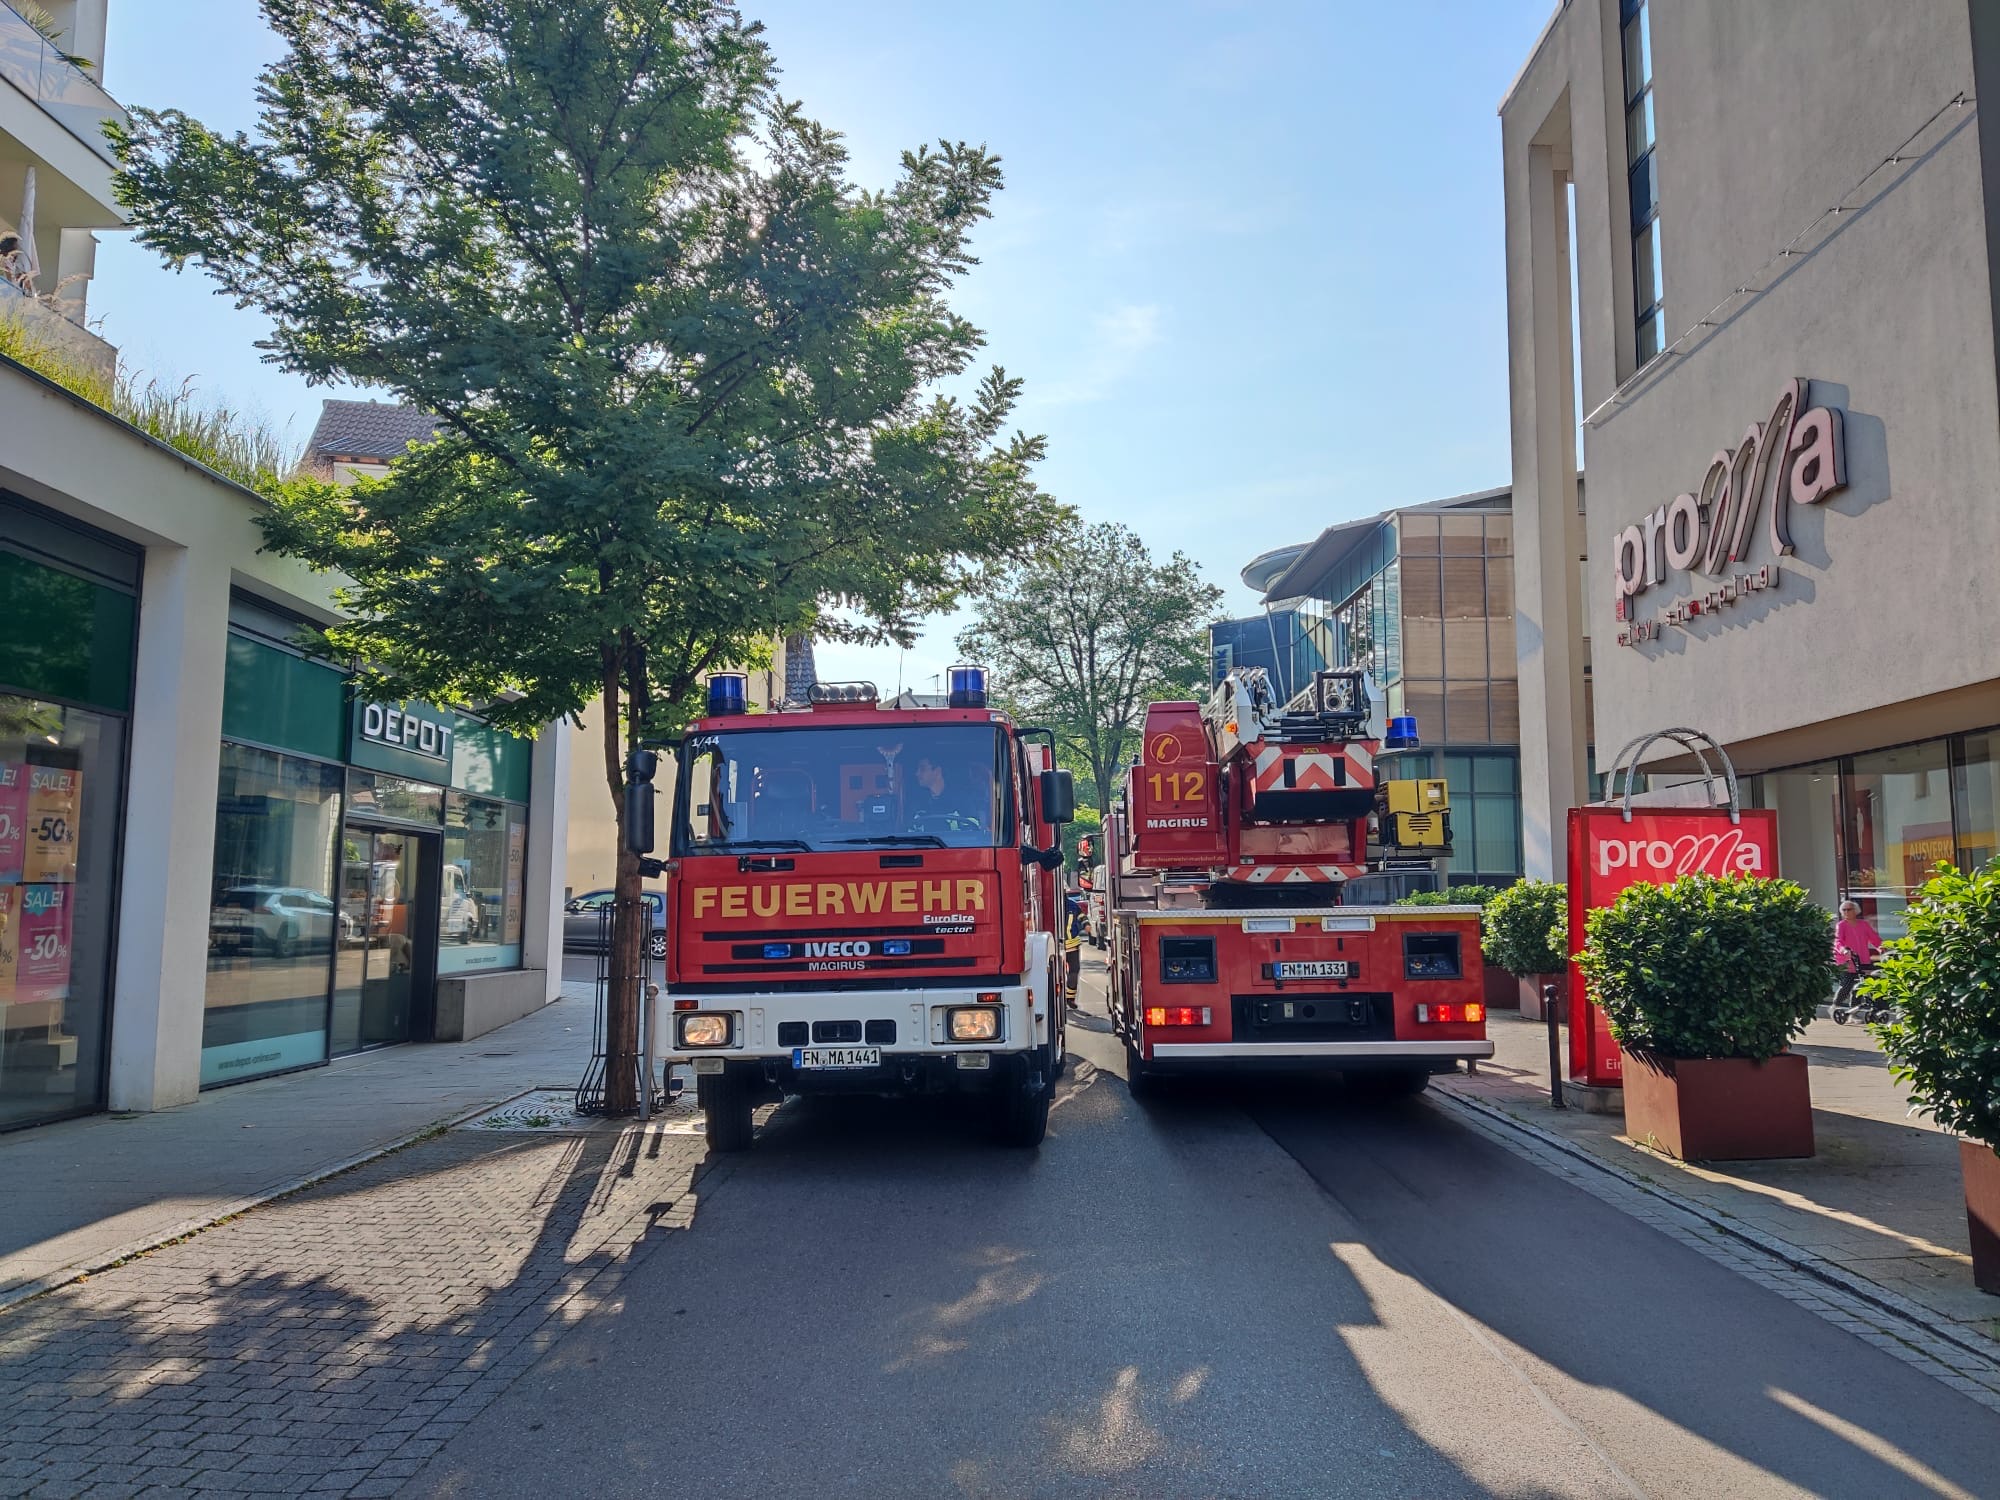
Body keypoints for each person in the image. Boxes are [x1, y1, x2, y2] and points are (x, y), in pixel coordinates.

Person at [1833, 898, 1883, 1010]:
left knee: (1860, 987)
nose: (1846, 912)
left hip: (1863, 959)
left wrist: (1881, 947)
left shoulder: (1863, 924)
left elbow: (1874, 939)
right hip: (1847, 960)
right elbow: (1838, 941)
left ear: (1855, 911)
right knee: (1846, 986)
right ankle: (1835, 1006)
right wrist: (1844, 950)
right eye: (1843, 910)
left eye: (1848, 909)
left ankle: (1853, 1012)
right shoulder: (1841, 925)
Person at [1063, 890, 1086, 1009]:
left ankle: (1065, 997)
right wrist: (1087, 925)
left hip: (1058, 945)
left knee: (1061, 974)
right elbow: (1082, 917)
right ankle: (1070, 998)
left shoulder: (1053, 905)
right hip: (1072, 945)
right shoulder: (1073, 905)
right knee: (1073, 971)